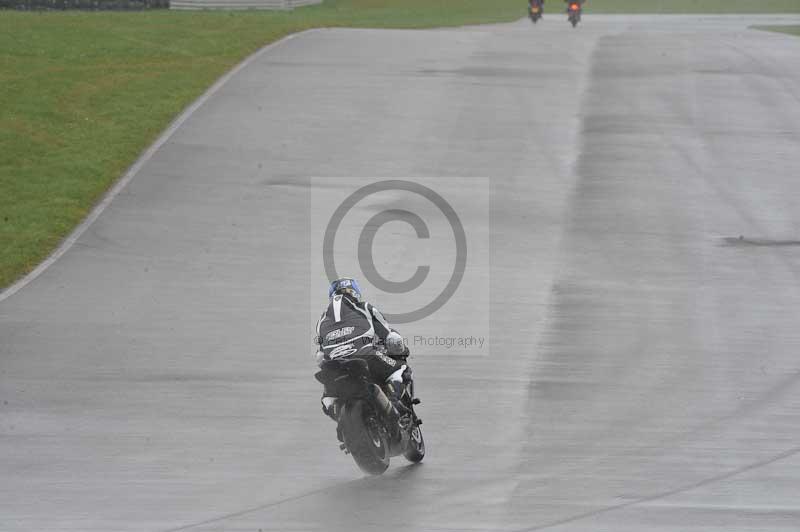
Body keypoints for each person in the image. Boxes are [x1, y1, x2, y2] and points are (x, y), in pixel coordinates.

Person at [314, 277, 412, 429]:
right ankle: (394, 404)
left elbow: (320, 357)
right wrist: (402, 350)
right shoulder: (365, 308)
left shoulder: (321, 321)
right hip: (366, 357)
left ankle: (342, 423)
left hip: (334, 367)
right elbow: (390, 337)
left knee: (327, 399)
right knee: (401, 369)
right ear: (355, 292)